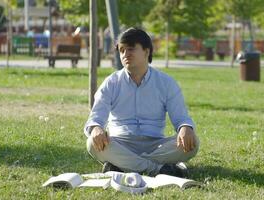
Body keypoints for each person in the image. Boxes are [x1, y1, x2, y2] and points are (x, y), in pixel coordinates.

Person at [84, 27, 199, 177]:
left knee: (193, 143)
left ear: (147, 51)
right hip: (120, 143)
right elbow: (96, 118)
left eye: (131, 49)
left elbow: (181, 117)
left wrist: (185, 127)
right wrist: (96, 128)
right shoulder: (111, 82)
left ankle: (121, 165)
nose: (125, 54)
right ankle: (157, 169)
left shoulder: (166, 83)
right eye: (122, 50)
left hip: (155, 145)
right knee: (92, 144)